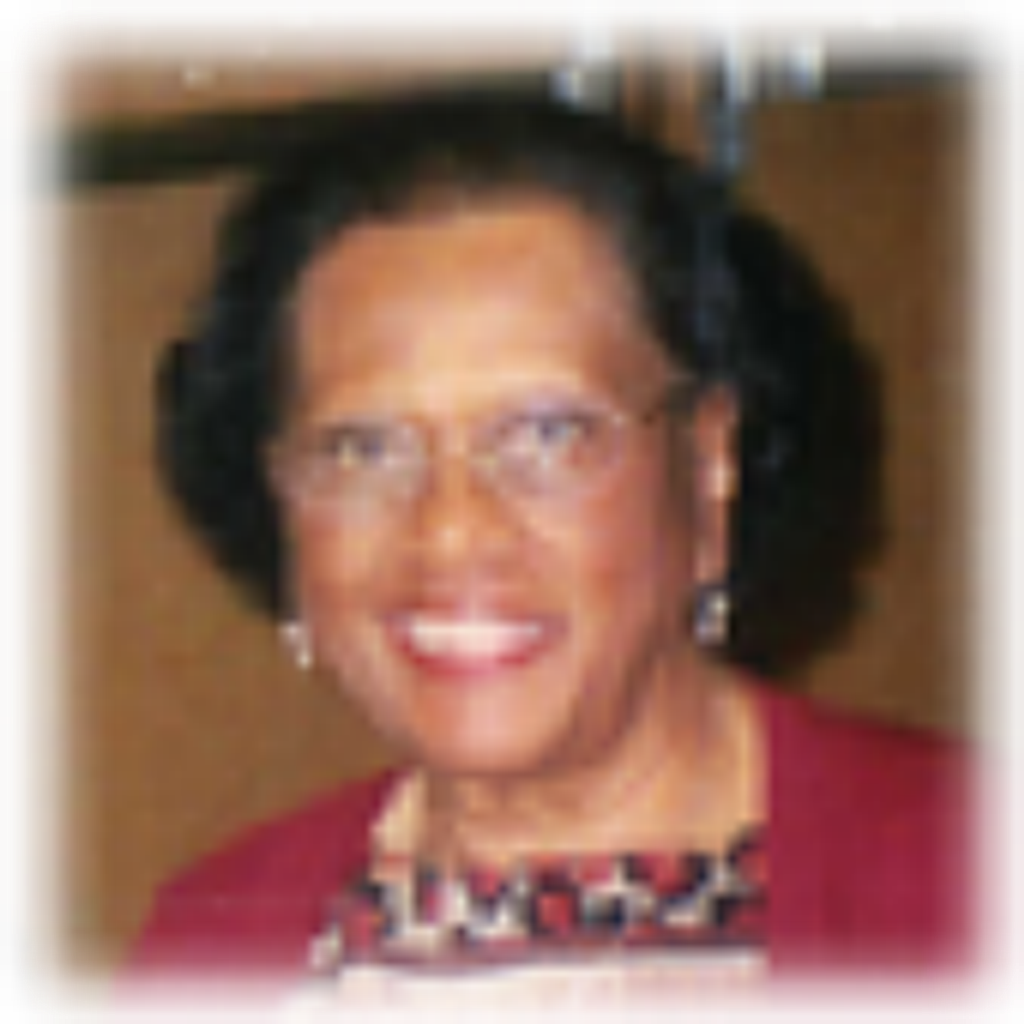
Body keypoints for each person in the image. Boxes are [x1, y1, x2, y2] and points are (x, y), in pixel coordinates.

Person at [107, 84, 1017, 1020]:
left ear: (708, 464)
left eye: (548, 436)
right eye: (363, 449)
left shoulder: (988, 901)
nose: (451, 530)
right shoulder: (208, 955)